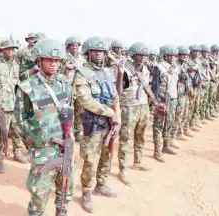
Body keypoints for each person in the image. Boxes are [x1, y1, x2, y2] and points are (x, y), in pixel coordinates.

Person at [14, 38, 75, 216]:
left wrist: (68, 135)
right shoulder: (27, 87)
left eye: (57, 61)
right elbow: (19, 122)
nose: (54, 64)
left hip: (65, 147)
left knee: (66, 190)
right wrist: (35, 144)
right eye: (49, 60)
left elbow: (69, 109)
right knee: (39, 194)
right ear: (39, 61)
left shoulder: (64, 83)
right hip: (43, 150)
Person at [74, 36, 121, 213]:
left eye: (101, 51)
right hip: (93, 124)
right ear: (88, 52)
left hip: (110, 123)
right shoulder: (82, 73)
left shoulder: (109, 72)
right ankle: (86, 192)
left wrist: (118, 120)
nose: (99, 54)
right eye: (95, 51)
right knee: (90, 160)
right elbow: (85, 100)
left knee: (107, 156)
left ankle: (101, 184)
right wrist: (110, 113)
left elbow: (116, 98)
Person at [117, 42, 160, 185]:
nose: (142, 58)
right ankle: (123, 169)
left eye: (144, 55)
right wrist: (120, 73)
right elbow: (119, 91)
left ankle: (138, 161)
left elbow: (146, 87)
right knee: (125, 139)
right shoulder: (125, 69)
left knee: (140, 136)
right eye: (139, 55)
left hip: (143, 106)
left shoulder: (146, 69)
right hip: (129, 107)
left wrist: (154, 101)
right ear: (133, 55)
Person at [0, 40, 28, 174]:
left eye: (12, 49)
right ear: (2, 50)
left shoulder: (16, 64)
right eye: (7, 49)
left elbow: (18, 83)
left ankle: (17, 152)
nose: (10, 51)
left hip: (15, 104)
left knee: (17, 131)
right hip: (1, 105)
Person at [151, 44, 180, 163]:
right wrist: (157, 103)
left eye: (174, 55)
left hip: (173, 98)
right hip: (162, 100)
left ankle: (166, 145)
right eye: (170, 55)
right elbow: (155, 86)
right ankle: (157, 151)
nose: (172, 58)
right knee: (158, 125)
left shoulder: (175, 68)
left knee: (169, 122)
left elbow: (176, 84)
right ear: (164, 55)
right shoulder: (159, 67)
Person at [62, 36, 86, 142]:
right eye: (73, 45)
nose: (75, 47)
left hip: (79, 87)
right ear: (68, 47)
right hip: (67, 88)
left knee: (79, 112)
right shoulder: (63, 58)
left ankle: (77, 132)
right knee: (67, 111)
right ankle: (67, 132)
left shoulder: (82, 58)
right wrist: (64, 67)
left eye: (76, 45)